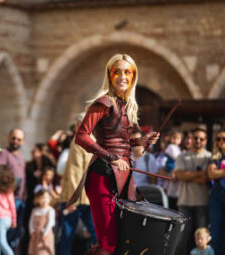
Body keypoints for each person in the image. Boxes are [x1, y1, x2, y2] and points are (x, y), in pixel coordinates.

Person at [68, 54, 159, 254]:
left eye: (127, 72)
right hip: (102, 176)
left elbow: (120, 143)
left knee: (120, 242)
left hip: (123, 179)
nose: (122, 76)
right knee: (107, 244)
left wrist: (140, 141)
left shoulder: (125, 105)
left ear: (133, 76)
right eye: (117, 71)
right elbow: (81, 136)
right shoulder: (103, 102)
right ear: (109, 75)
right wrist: (112, 158)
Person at [59, 113, 98, 255]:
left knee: (67, 238)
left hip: (76, 197)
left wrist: (72, 201)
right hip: (89, 196)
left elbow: (75, 172)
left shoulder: (78, 140)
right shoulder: (93, 140)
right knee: (95, 236)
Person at [175, 128, 211, 254]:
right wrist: (198, 174)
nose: (198, 141)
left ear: (206, 141)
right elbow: (179, 175)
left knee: (202, 238)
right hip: (184, 202)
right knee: (182, 238)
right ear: (191, 138)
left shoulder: (209, 156)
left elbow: (206, 178)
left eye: (201, 139)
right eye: (195, 138)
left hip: (202, 202)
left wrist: (188, 175)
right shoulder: (182, 156)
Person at [0, 128, 26, 250]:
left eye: (19, 139)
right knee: (7, 233)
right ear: (8, 138)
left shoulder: (21, 156)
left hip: (20, 199)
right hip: (8, 200)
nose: (15, 141)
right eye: (13, 138)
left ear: (23, 142)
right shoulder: (4, 153)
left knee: (16, 232)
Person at [207, 128, 225, 255]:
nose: (221, 141)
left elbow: (215, 172)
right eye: (218, 139)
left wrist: (220, 173)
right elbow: (211, 173)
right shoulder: (215, 156)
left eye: (224, 138)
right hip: (217, 194)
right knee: (216, 231)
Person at [28, 190, 55, 255]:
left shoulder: (50, 210)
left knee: (43, 252)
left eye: (47, 197)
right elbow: (31, 222)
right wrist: (32, 231)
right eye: (42, 198)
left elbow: (51, 223)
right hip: (36, 235)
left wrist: (45, 233)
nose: (45, 200)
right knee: (35, 251)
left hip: (45, 235)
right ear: (37, 199)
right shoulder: (35, 210)